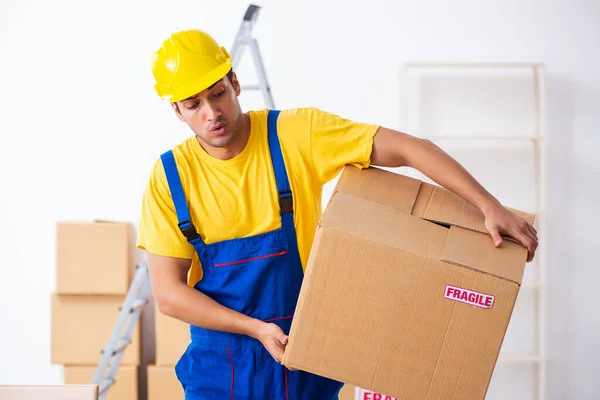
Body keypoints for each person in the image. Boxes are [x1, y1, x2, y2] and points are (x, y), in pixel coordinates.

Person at [137, 29, 538, 400]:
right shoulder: (170, 178)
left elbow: (411, 149)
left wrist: (488, 206)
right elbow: (170, 296)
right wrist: (255, 329)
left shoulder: (293, 135)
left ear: (235, 84)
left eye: (218, 93)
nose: (212, 113)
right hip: (220, 368)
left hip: (303, 354)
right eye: (194, 104)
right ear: (178, 112)